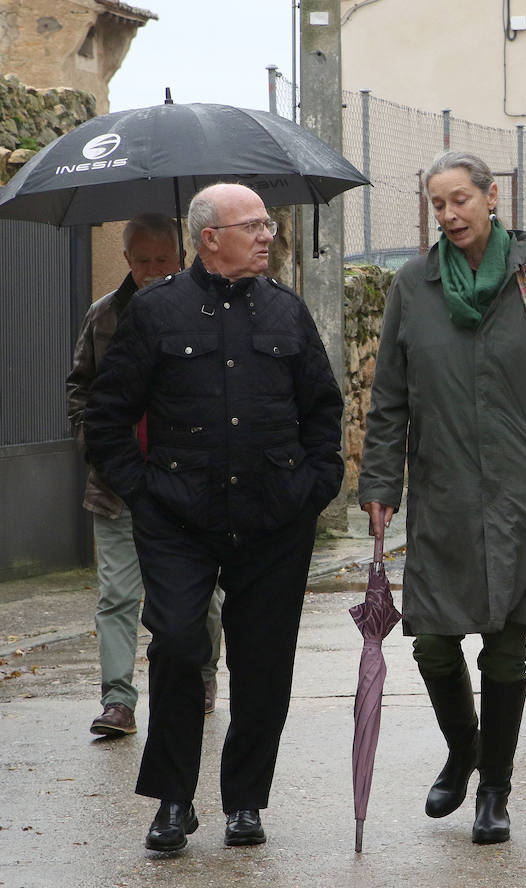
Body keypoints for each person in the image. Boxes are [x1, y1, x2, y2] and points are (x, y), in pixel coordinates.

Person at [82, 183, 344, 854]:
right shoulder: (156, 313)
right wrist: (142, 490)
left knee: (262, 663)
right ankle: (173, 801)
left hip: (273, 520)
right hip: (178, 519)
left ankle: (245, 802)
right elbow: (107, 413)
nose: (267, 235)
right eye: (251, 226)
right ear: (209, 238)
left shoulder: (286, 312)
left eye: (266, 225)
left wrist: (314, 486)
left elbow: (322, 409)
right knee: (175, 644)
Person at [358, 151, 526, 846]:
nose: (451, 214)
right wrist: (379, 483)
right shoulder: (415, 284)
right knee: (430, 640)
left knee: (503, 648)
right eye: (439, 204)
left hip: (524, 497)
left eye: (461, 199)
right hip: (442, 494)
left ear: (493, 199)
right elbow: (389, 398)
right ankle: (465, 748)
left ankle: (495, 788)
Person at [67, 214, 224, 737]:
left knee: (201, 594)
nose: (153, 271)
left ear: (181, 258)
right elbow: (80, 389)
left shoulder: (207, 310)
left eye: (163, 260)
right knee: (116, 595)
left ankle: (202, 674)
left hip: (187, 485)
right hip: (116, 486)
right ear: (128, 261)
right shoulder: (104, 316)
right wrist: (97, 450)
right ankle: (117, 700)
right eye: (143, 261)